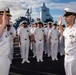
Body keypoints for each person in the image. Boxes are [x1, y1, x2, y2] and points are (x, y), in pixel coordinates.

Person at [58, 8, 76, 75]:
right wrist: (60, 25)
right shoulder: (67, 29)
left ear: (73, 16)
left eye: (67, 16)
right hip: (67, 58)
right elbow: (63, 34)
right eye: (65, 16)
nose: (65, 18)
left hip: (74, 59)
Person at [0, 7, 11, 75]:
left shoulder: (3, 29)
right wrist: (3, 24)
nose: (10, 18)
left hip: (5, 59)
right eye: (7, 16)